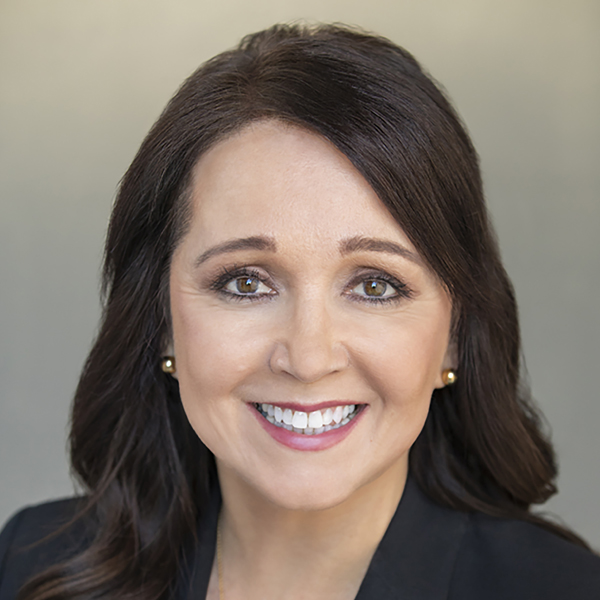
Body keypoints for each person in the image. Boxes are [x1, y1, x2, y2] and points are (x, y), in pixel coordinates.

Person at [0, 23, 598, 600]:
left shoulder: (563, 589)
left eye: (375, 286)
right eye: (245, 282)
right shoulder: (31, 563)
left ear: (454, 335)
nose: (309, 358)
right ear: (161, 319)